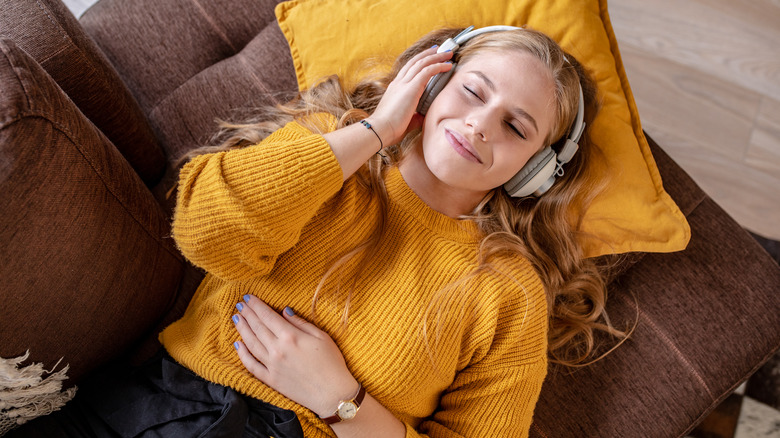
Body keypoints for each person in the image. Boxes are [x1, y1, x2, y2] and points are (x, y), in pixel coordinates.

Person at [10, 26, 624, 438]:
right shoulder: (331, 146)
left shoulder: (507, 292)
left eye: (516, 127)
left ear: (538, 171)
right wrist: (377, 131)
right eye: (471, 91)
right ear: (430, 82)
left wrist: (342, 402)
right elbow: (204, 233)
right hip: (158, 409)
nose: (480, 125)